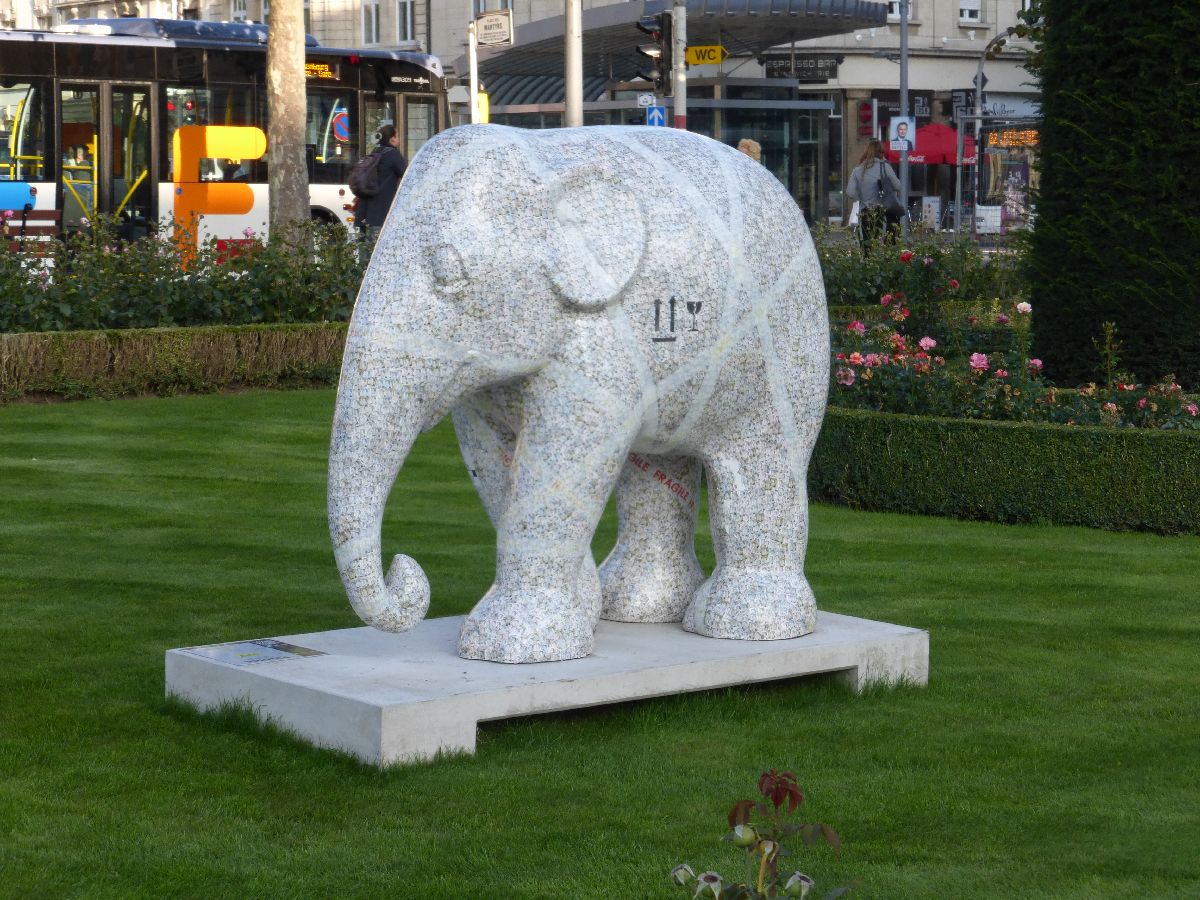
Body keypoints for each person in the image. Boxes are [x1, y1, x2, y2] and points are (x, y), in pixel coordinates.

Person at [357, 124, 407, 256]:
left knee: (365, 257)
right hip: (381, 215)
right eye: (397, 135)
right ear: (392, 139)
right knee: (379, 256)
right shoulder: (393, 155)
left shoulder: (373, 153)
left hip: (364, 213)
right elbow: (408, 177)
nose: (399, 138)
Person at [846, 139, 902, 254]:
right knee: (886, 243)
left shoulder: (857, 170)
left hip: (865, 211)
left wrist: (862, 198)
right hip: (884, 211)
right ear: (881, 152)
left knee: (867, 245)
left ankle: (868, 262)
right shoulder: (885, 167)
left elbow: (850, 192)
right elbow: (898, 186)